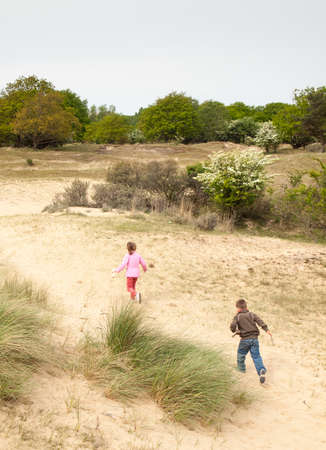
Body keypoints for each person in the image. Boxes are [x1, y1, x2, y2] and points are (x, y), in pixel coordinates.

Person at [230, 299, 272, 384]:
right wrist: (266, 329)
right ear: (246, 306)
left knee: (241, 354)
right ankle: (261, 369)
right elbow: (260, 321)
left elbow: (233, 326)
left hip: (244, 340)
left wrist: (234, 330)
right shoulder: (252, 314)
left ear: (238, 308)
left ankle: (241, 370)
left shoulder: (237, 316)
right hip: (255, 339)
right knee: (256, 356)